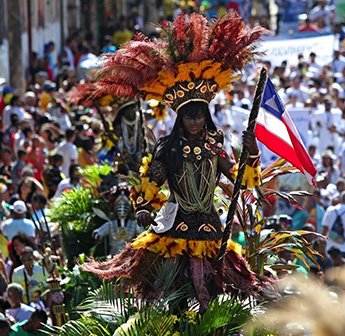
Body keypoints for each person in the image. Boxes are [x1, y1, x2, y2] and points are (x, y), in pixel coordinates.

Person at [83, 12, 268, 311]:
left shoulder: (214, 147)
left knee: (218, 292)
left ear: (205, 116)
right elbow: (150, 184)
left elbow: (241, 181)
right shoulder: (167, 148)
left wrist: (253, 152)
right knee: (171, 296)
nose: (194, 120)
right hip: (174, 225)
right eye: (189, 115)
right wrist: (143, 208)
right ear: (180, 118)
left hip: (209, 226)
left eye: (199, 114)